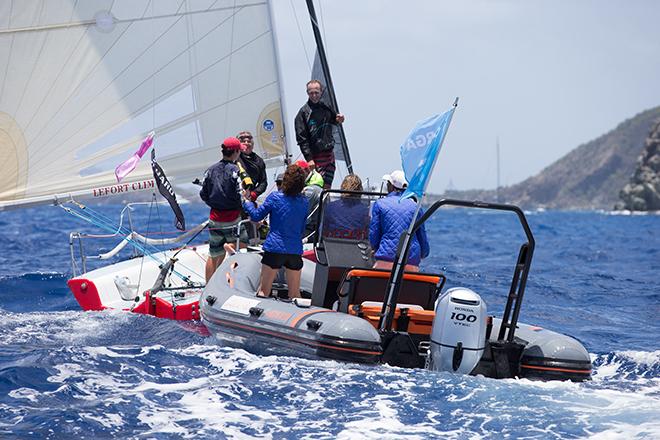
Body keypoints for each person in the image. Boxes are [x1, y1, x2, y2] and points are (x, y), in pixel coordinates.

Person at [243, 164, 309, 299]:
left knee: (263, 292)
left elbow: (256, 216)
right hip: (294, 251)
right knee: (295, 295)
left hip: (274, 249)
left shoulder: (275, 197)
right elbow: (302, 229)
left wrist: (247, 203)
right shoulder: (304, 202)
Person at [199, 137, 247, 282]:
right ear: (236, 152)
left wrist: (214, 204)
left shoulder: (210, 170)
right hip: (232, 218)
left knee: (213, 253)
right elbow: (241, 196)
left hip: (214, 217)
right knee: (241, 246)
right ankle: (230, 282)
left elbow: (203, 194)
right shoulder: (235, 170)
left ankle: (208, 288)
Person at [369, 170, 430, 272]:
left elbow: (374, 235)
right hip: (410, 261)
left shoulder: (380, 204)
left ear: (392, 187)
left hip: (385, 259)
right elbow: (422, 236)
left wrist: (375, 248)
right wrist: (423, 254)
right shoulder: (416, 207)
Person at [294, 79, 345, 189]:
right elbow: (301, 139)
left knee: (327, 188)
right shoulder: (303, 113)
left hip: (329, 155)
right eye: (311, 93)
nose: (314, 95)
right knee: (318, 188)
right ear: (307, 93)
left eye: (316, 92)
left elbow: (334, 119)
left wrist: (339, 119)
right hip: (316, 157)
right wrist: (309, 159)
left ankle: (325, 205)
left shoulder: (326, 106)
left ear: (321, 92)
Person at [323, 174, 370, 240]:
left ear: (342, 186)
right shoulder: (366, 211)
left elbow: (323, 231)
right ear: (360, 190)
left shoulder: (330, 207)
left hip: (331, 246)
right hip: (357, 247)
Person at [296, 160, 323, 240]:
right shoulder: (314, 185)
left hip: (311, 231)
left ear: (306, 171)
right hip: (315, 229)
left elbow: (302, 216)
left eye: (298, 173)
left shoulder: (309, 190)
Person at [237, 130, 267, 201]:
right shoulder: (234, 158)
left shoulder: (259, 161)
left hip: (249, 198)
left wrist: (254, 194)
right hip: (234, 198)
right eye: (243, 141)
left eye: (249, 141)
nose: (246, 143)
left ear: (253, 144)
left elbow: (263, 182)